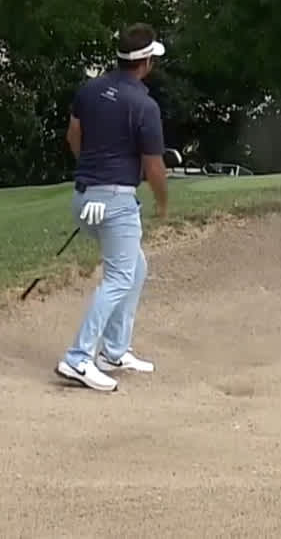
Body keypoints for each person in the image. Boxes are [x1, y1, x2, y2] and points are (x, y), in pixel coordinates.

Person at [56, 23, 170, 393]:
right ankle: (78, 357)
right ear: (146, 62)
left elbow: (74, 136)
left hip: (83, 198)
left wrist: (92, 175)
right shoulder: (144, 106)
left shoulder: (90, 89)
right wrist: (162, 201)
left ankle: (114, 352)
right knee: (120, 277)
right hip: (115, 203)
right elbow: (154, 167)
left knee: (136, 267)